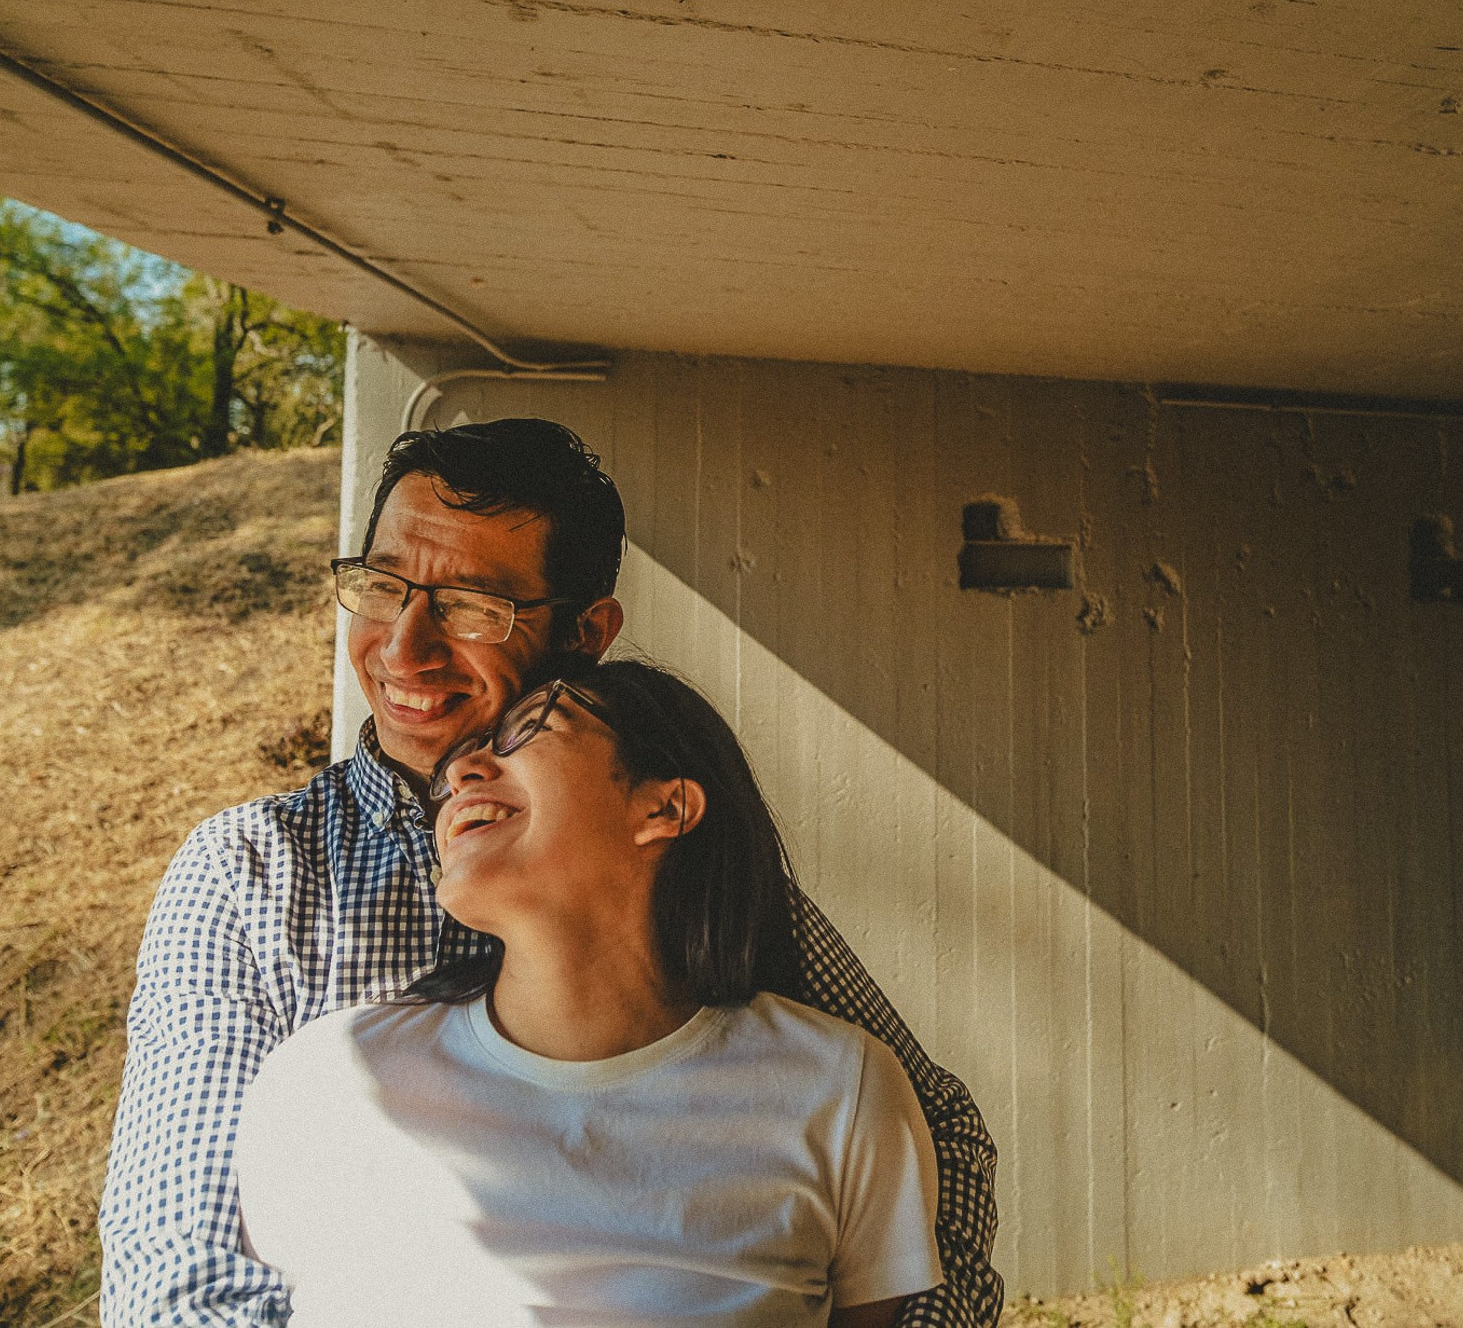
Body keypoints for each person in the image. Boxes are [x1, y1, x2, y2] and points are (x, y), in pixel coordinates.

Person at [98, 418, 1000, 1327]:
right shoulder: (258, 876)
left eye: (471, 607)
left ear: (586, 632)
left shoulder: (668, 870)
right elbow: (182, 1273)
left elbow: (928, 1134)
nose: (403, 648)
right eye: (381, 587)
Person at [234, 660, 943, 1326]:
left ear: (662, 809)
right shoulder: (328, 1077)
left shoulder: (840, 1090)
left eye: (524, 737)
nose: (461, 770)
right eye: (465, 761)